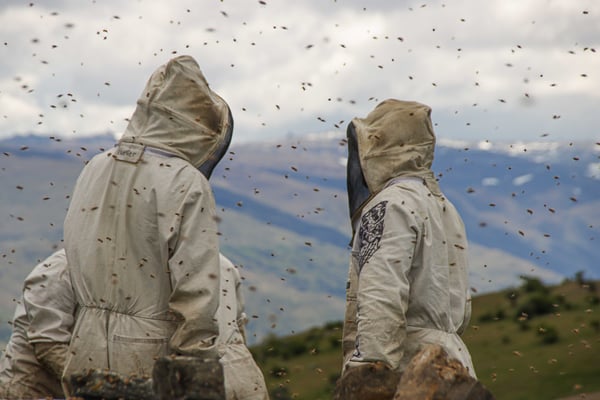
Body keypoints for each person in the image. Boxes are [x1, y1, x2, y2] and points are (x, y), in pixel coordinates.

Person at [61, 55, 233, 387]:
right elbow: (197, 287)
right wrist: (196, 368)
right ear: (197, 124)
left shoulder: (94, 166)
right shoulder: (185, 180)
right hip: (149, 353)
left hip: (84, 346)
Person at [339, 99, 476, 386]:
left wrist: (369, 373)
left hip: (409, 371)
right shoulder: (442, 205)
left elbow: (382, 294)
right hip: (453, 368)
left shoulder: (390, 204)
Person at [0, 249, 73, 399]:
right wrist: (89, 382)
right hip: (28, 390)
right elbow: (47, 344)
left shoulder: (117, 269)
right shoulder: (63, 267)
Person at [217, 254, 269, 400]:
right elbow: (239, 323)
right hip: (242, 367)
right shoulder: (224, 263)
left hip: (204, 372)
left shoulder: (159, 263)